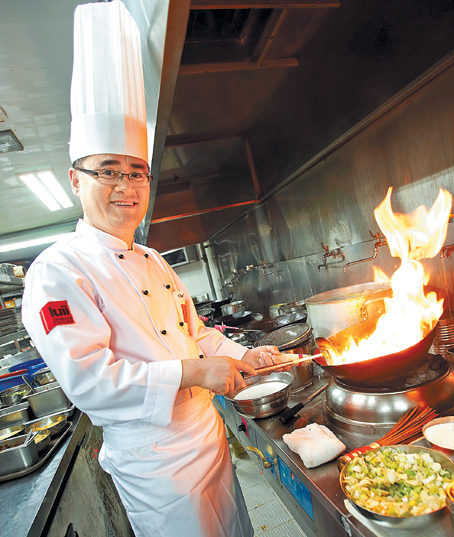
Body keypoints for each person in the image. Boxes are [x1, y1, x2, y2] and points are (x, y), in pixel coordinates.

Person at [21, 2, 285, 536]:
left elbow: (194, 333)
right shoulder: (57, 271)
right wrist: (194, 373)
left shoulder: (152, 258)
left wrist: (244, 355)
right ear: (76, 180)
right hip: (154, 464)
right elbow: (90, 382)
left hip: (208, 438)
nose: (126, 186)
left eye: (137, 172)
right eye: (108, 172)